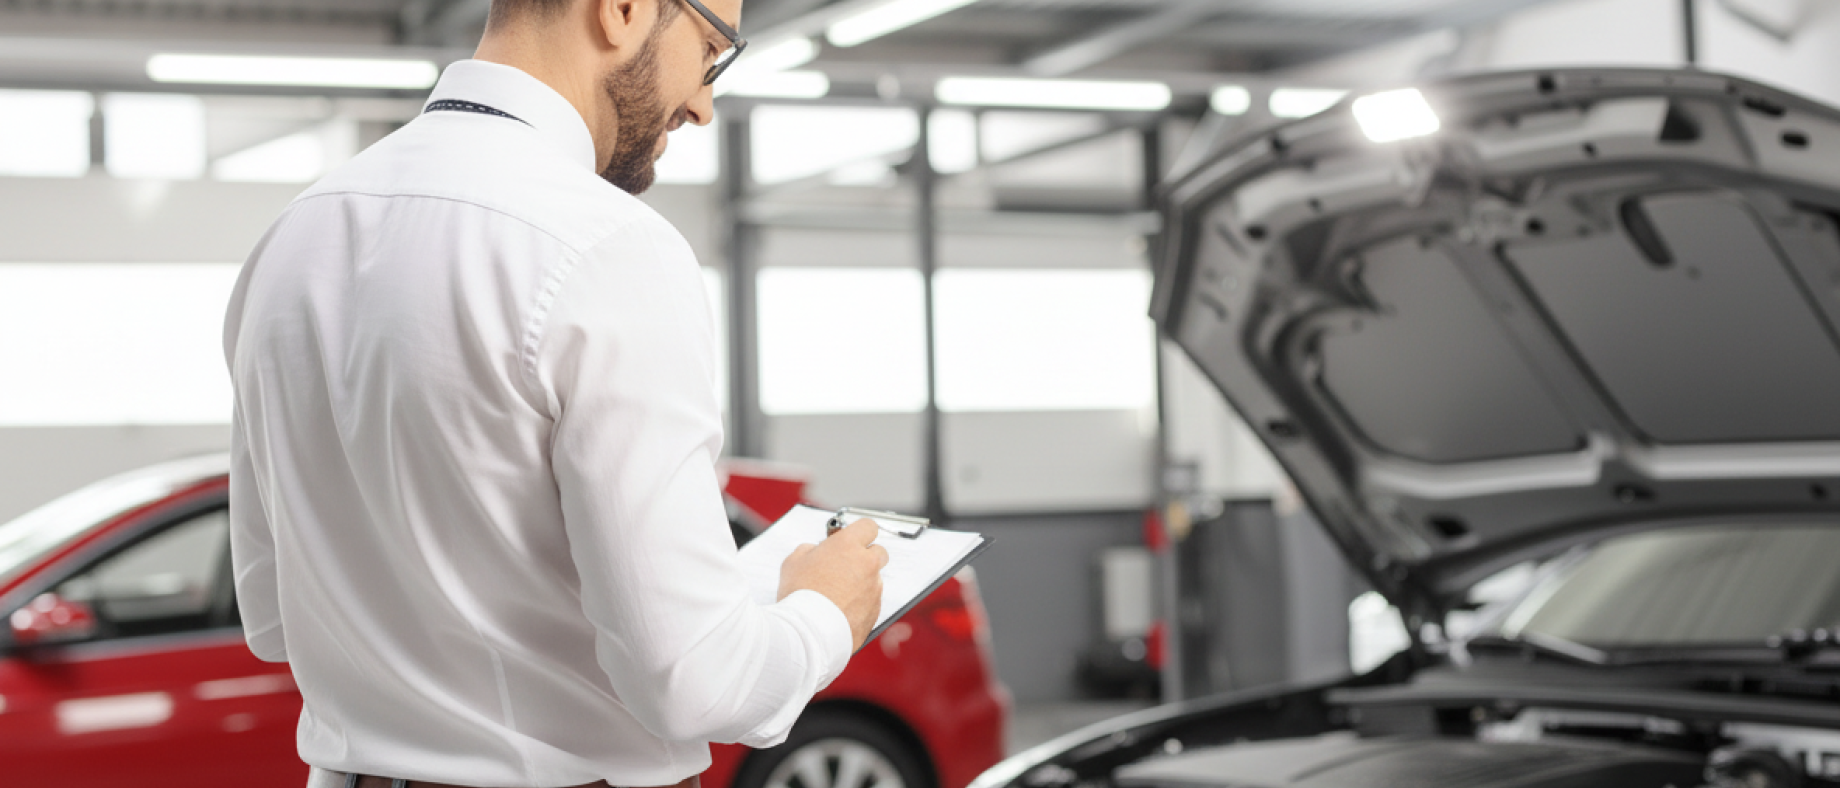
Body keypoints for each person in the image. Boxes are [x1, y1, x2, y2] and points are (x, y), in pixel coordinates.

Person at [220, 0, 889, 785]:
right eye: (712, 48)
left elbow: (270, 617)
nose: (705, 103)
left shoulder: (295, 235)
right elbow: (698, 683)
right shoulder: (609, 247)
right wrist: (823, 611)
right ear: (624, 9)